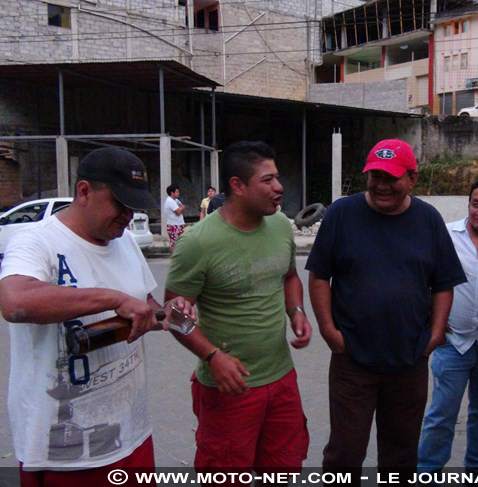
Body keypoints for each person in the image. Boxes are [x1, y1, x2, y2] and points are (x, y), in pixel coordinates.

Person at [0, 147, 194, 486]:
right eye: (120, 203)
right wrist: (111, 299)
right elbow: (15, 302)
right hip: (65, 453)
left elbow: (145, 305)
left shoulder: (126, 242)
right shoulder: (36, 240)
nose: (127, 214)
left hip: (130, 436)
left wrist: (169, 313)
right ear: (84, 191)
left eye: (133, 205)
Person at [306, 138, 467, 471]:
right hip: (352, 359)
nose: (381, 185)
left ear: (412, 179)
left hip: (409, 361)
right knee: (345, 453)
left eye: (391, 177)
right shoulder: (342, 214)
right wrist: (328, 330)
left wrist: (435, 334)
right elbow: (320, 276)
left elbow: (444, 284)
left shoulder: (428, 220)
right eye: (375, 175)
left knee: (401, 455)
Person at [164, 141, 312, 476]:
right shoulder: (197, 242)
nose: (279, 187)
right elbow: (172, 314)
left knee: (281, 472)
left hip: (282, 380)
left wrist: (297, 313)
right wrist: (212, 356)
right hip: (228, 389)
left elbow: (289, 277)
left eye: (278, 178)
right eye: (268, 180)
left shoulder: (280, 226)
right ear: (238, 186)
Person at [418, 175, 478, 474]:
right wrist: (433, 322)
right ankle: (428, 471)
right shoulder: (445, 235)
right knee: (441, 414)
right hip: (452, 343)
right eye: (475, 203)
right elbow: (424, 280)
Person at [164, 183, 185, 253]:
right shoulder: (170, 201)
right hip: (173, 225)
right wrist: (180, 209)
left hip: (179, 224)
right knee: (173, 243)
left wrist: (180, 208)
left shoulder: (176, 200)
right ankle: (173, 259)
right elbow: (178, 212)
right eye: (177, 192)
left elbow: (183, 206)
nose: (178, 193)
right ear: (172, 193)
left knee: (180, 243)